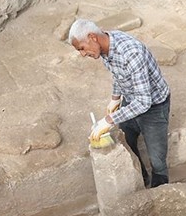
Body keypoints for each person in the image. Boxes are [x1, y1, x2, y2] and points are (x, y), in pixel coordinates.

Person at [69, 18, 171, 188]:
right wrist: (115, 98)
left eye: (82, 48)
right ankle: (142, 180)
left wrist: (109, 120)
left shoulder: (131, 53)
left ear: (92, 37)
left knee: (157, 159)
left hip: (153, 106)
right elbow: (119, 75)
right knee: (127, 143)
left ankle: (159, 193)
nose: (82, 54)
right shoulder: (104, 48)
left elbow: (144, 102)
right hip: (131, 101)